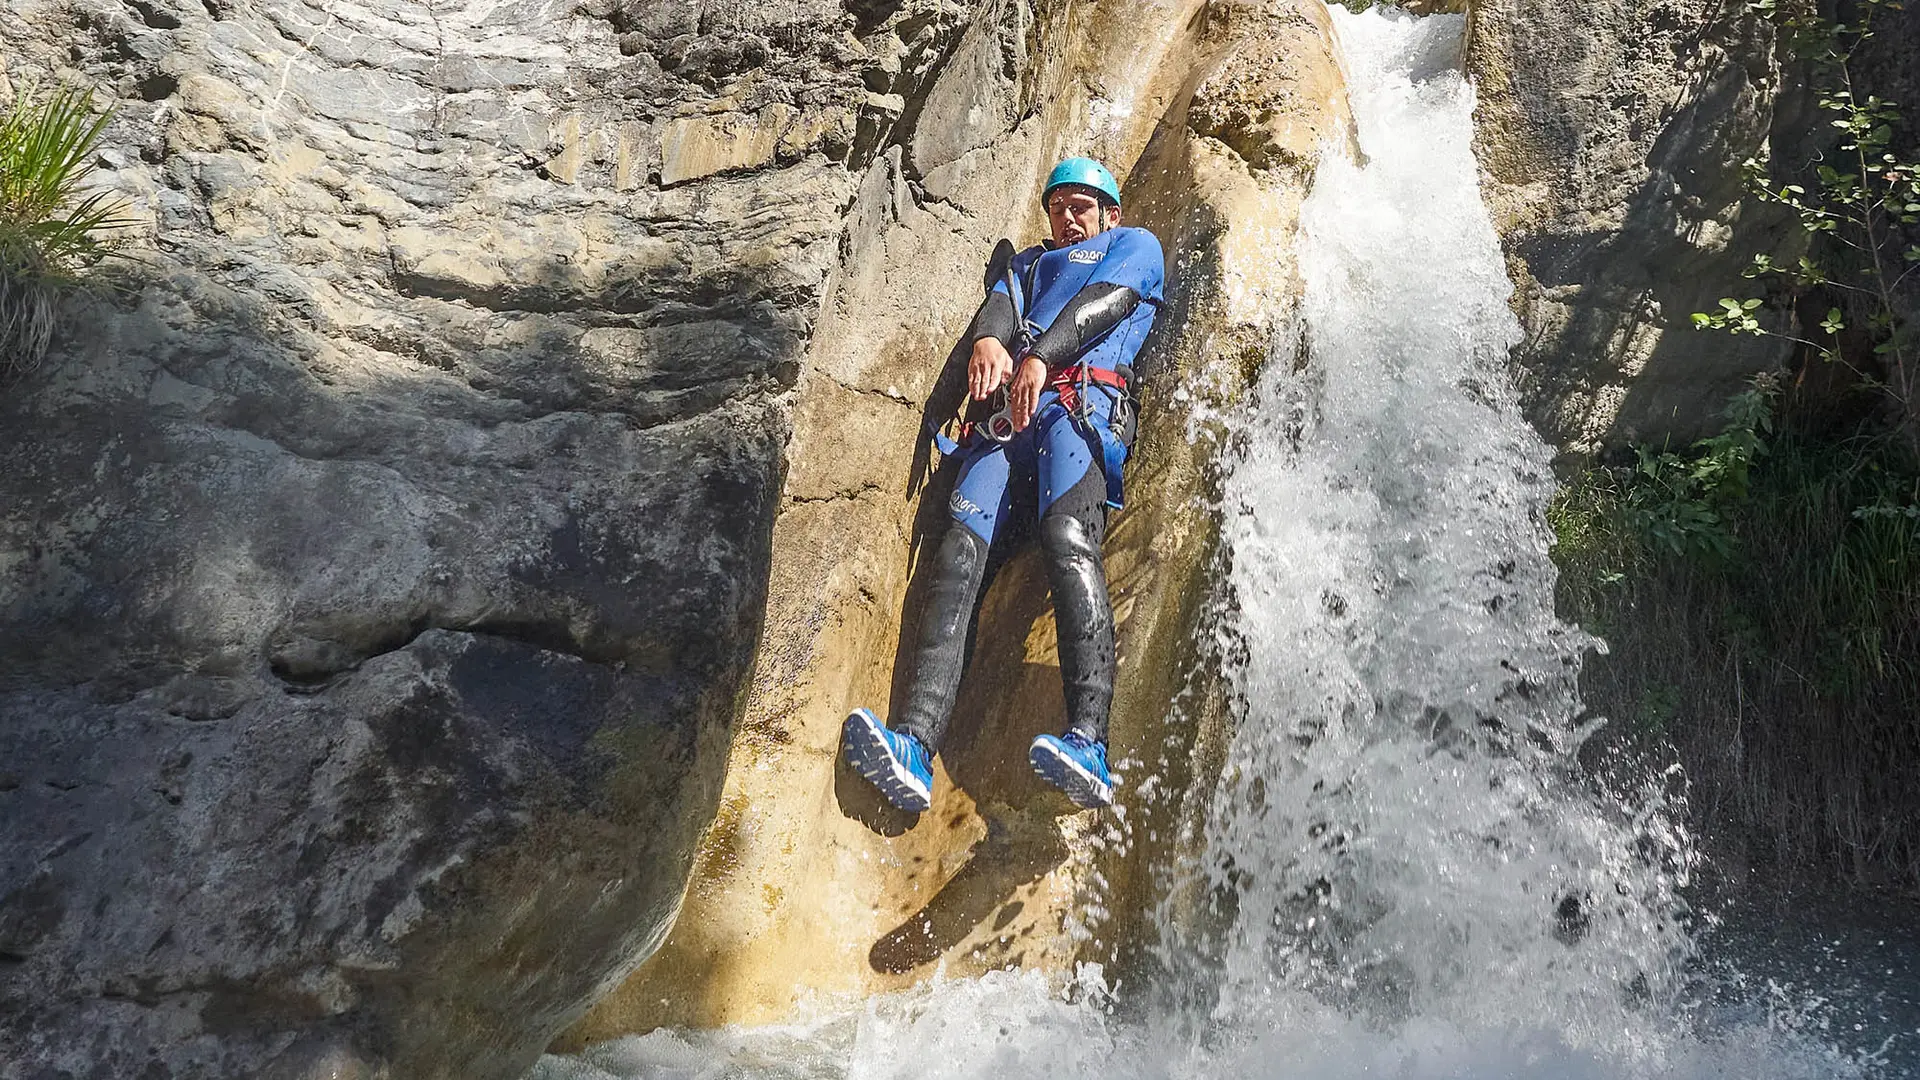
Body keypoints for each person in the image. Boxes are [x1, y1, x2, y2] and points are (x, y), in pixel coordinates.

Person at [841, 157, 1165, 813]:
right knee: (956, 555)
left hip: (1078, 405)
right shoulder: (1023, 266)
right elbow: (997, 312)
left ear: (1110, 213)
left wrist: (1040, 359)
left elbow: (1107, 305)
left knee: (1067, 535)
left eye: (1081, 205)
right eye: (1058, 207)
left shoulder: (1134, 245)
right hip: (1004, 425)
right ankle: (912, 748)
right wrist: (990, 345)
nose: (1069, 217)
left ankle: (1089, 746)